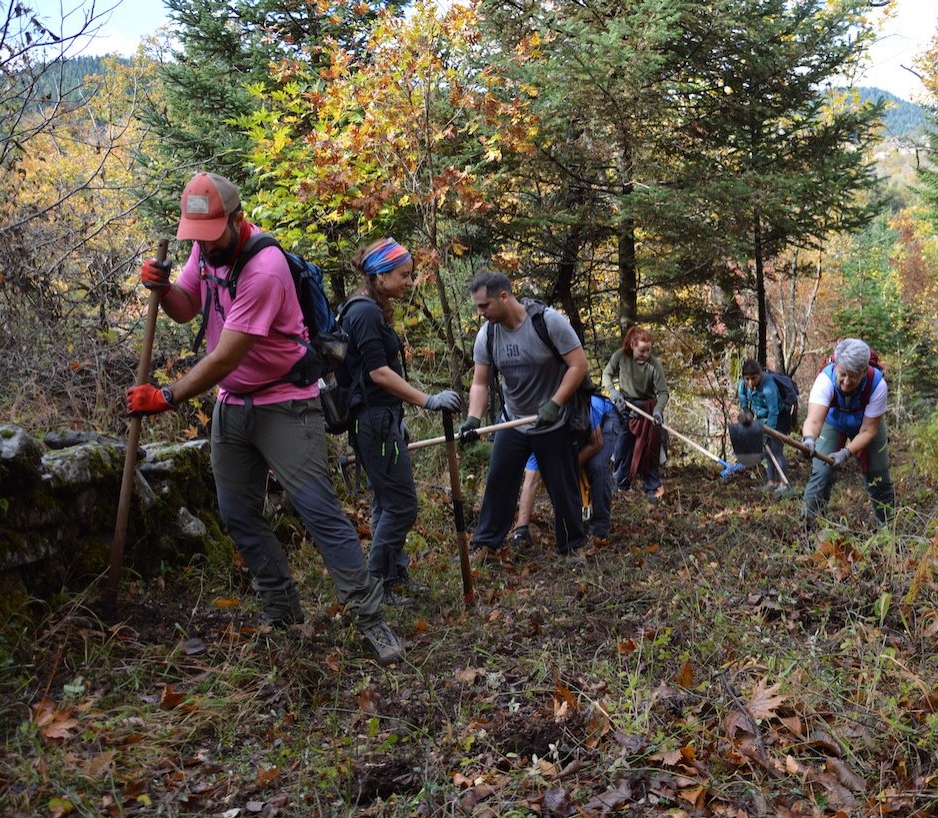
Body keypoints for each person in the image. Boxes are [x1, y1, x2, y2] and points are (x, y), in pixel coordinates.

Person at [125, 172, 405, 665]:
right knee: (238, 515)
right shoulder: (204, 248)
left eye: (212, 237)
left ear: (236, 220)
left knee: (319, 512)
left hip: (286, 403)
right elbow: (189, 309)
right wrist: (165, 289)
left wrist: (166, 395)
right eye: (197, 239)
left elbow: (226, 356)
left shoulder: (266, 268)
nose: (204, 248)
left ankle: (371, 620)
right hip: (233, 406)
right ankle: (282, 612)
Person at [342, 238, 461, 600]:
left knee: (385, 502)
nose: (410, 282)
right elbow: (378, 373)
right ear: (380, 275)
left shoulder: (371, 309)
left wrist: (397, 416)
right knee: (403, 504)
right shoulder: (362, 312)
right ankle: (377, 583)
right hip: (373, 421)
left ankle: (393, 577)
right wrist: (428, 401)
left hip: (381, 418)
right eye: (404, 275)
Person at [458, 270, 590, 562]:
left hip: (553, 421)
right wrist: (473, 419)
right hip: (513, 420)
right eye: (477, 307)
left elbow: (578, 365)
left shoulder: (548, 322)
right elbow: (480, 382)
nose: (480, 313)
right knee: (499, 483)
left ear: (504, 296)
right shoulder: (488, 334)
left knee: (563, 487)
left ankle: (573, 547)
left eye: (484, 306)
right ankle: (485, 545)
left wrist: (555, 403)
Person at [799, 338, 895, 528]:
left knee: (878, 475)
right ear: (836, 366)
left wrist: (846, 452)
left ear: (863, 372)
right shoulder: (825, 380)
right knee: (822, 472)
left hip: (866, 424)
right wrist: (809, 439)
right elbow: (814, 420)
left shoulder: (877, 384)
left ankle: (888, 531)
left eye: (853, 376)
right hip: (833, 422)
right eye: (842, 374)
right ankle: (807, 529)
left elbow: (868, 431)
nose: (846, 382)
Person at [512, 392, 622, 549]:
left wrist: (567, 468)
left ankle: (600, 527)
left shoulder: (578, 407)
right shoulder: (536, 432)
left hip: (605, 419)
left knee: (596, 466)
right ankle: (574, 518)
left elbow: (596, 443)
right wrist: (521, 527)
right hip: (571, 431)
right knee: (567, 468)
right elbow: (531, 481)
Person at [602, 326, 669, 500]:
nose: (645, 354)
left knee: (649, 450)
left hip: (646, 410)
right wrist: (614, 393)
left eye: (648, 350)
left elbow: (663, 393)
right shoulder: (620, 356)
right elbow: (606, 374)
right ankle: (620, 485)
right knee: (622, 447)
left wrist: (657, 411)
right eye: (642, 350)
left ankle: (652, 488)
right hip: (625, 407)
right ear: (632, 345)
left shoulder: (654, 365)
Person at [737, 358, 791, 493]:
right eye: (747, 378)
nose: (750, 382)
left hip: (780, 418)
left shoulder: (769, 387)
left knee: (776, 450)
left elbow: (774, 411)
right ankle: (772, 482)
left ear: (760, 374)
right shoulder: (743, 384)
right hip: (762, 419)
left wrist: (769, 434)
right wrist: (746, 409)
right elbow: (741, 393)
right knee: (766, 452)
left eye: (753, 378)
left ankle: (784, 484)